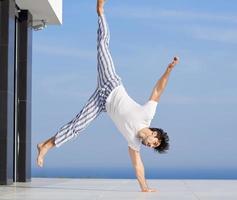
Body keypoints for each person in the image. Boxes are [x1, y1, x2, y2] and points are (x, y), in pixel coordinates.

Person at [36, 0, 179, 192]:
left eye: (154, 147)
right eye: (155, 143)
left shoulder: (133, 143)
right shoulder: (147, 115)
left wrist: (144, 187)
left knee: (77, 126)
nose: (151, 146)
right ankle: (101, 11)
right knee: (103, 45)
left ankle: (45, 146)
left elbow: (138, 165)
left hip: (101, 102)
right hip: (111, 82)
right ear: (155, 134)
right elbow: (157, 91)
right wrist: (168, 70)